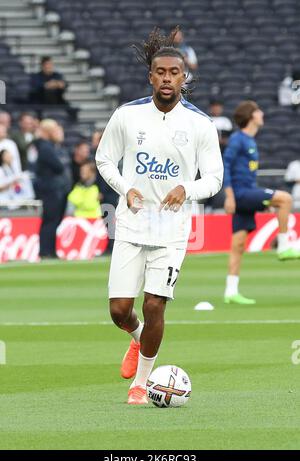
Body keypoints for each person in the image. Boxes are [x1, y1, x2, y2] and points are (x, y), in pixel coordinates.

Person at [95, 27, 223, 405]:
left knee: (154, 304)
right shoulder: (127, 116)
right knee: (120, 311)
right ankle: (137, 339)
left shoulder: (200, 124)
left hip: (171, 229)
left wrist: (188, 189)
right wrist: (125, 187)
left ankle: (141, 382)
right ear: (150, 76)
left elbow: (214, 178)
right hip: (132, 223)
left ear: (185, 78)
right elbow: (104, 158)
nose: (167, 79)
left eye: (174, 73)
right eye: (160, 72)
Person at [223, 100, 299, 306]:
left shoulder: (250, 140)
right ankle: (283, 247)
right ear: (251, 116)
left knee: (238, 245)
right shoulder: (238, 139)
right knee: (285, 198)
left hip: (246, 194)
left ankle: (231, 291)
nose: (262, 113)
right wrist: (229, 196)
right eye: (258, 111)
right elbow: (225, 167)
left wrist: (260, 202)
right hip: (240, 194)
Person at [32, 119, 66, 259]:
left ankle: (49, 250)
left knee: (51, 221)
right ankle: (46, 251)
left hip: (49, 189)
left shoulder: (42, 146)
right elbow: (59, 166)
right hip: (50, 190)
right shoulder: (46, 147)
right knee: (50, 221)